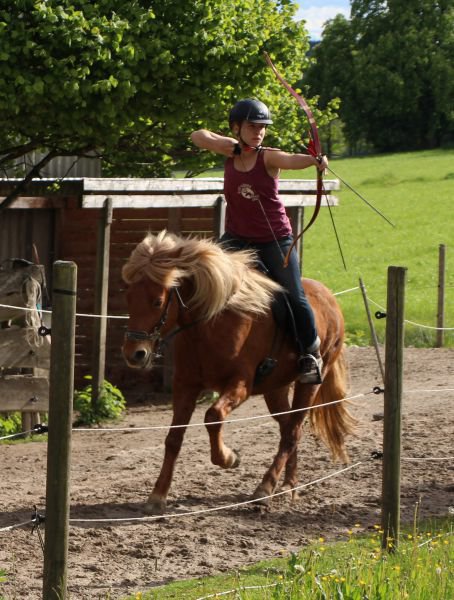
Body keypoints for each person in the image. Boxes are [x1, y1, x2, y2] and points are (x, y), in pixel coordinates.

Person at [190, 98, 328, 384]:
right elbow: (197, 136)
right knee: (206, 280)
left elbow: (291, 159)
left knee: (294, 295)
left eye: (262, 127)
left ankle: (310, 354)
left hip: (274, 240)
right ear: (237, 128)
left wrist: (315, 160)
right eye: (252, 126)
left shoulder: (268, 157)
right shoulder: (231, 152)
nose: (259, 132)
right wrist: (222, 144)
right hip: (237, 239)